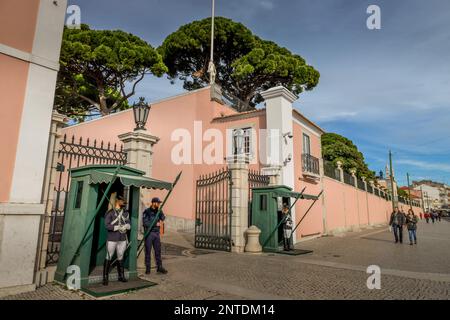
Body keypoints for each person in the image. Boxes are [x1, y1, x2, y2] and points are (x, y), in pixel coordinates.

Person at [103, 195, 131, 286]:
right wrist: (116, 227)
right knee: (109, 256)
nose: (123, 204)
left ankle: (121, 276)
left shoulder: (125, 213)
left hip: (122, 238)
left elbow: (129, 223)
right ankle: (105, 277)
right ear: (117, 201)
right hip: (112, 238)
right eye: (122, 202)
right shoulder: (110, 213)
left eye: (124, 202)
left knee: (120, 256)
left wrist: (127, 226)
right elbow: (107, 225)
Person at [143, 197, 168, 275]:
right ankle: (148, 268)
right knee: (148, 251)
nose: (158, 204)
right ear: (153, 203)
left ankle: (159, 267)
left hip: (156, 234)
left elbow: (163, 218)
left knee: (158, 251)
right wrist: (155, 224)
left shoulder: (158, 211)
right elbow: (145, 223)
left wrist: (161, 213)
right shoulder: (147, 212)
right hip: (149, 234)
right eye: (157, 203)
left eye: (159, 203)